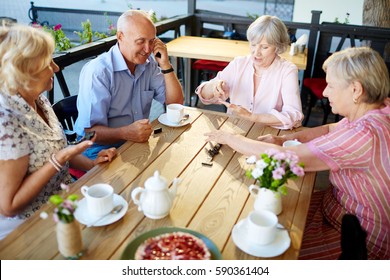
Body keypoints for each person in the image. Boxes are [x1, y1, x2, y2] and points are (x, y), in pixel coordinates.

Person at [204, 47, 390, 259]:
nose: (326, 92)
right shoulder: (380, 108)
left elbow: (286, 159)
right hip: (338, 210)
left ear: (356, 90)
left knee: (264, 250)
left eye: (330, 85)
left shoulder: (364, 134)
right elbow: (330, 128)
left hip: (360, 239)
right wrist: (283, 139)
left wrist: (230, 138)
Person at [0, 24, 117, 240]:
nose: (56, 68)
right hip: (28, 231)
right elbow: (9, 206)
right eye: (47, 63)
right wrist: (61, 157)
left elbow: (57, 149)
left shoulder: (39, 100)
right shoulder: (6, 119)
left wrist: (92, 164)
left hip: (64, 206)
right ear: (25, 71)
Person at [74, 10, 184, 160]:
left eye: (152, 41)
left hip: (136, 144)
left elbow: (176, 103)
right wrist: (125, 132)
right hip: (98, 151)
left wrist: (165, 64)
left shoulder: (149, 64)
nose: (147, 49)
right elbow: (88, 133)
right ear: (120, 36)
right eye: (140, 42)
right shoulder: (98, 72)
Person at [195, 15, 303, 130]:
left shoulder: (287, 71)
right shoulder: (239, 64)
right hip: (234, 130)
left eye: (264, 47)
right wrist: (212, 87)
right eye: (253, 44)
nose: (256, 52)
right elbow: (205, 96)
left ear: (277, 47)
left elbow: (294, 115)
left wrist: (252, 117)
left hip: (268, 134)